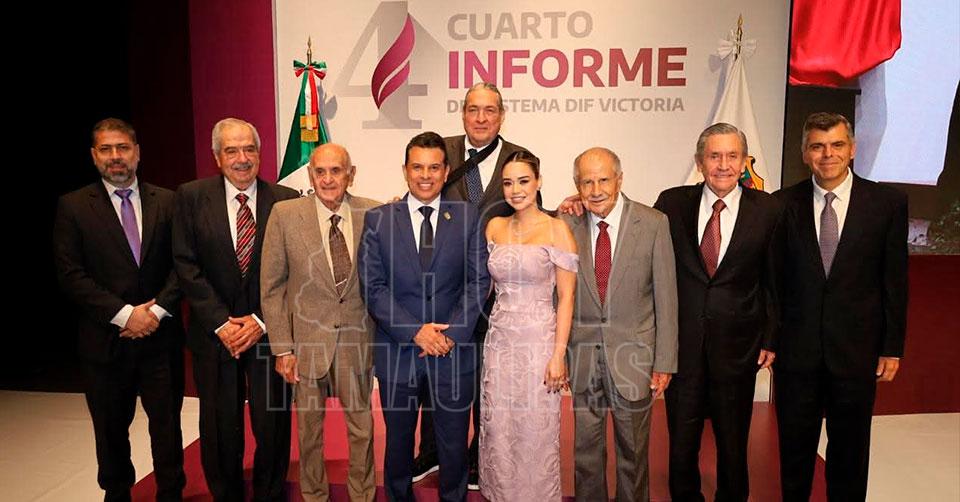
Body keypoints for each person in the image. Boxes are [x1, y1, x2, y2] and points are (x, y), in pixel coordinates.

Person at [774, 112, 908, 501]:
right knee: (794, 453)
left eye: (836, 145)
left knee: (850, 453)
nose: (827, 154)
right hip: (796, 355)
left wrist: (892, 347)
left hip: (856, 354)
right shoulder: (781, 205)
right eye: (817, 146)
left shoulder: (887, 204)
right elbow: (773, 282)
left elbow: (894, 281)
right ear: (805, 153)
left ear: (852, 149)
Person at [54, 117, 186, 502]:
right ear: (93, 156)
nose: (116, 156)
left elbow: (184, 264)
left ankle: (171, 492)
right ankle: (117, 493)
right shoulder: (73, 206)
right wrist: (127, 315)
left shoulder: (169, 201)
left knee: (167, 427)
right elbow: (70, 274)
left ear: (137, 153)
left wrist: (155, 312)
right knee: (110, 430)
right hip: (105, 342)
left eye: (123, 148)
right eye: (106, 149)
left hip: (161, 339)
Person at [414, 82, 536, 489]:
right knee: (437, 377)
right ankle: (431, 451)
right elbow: (418, 200)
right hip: (442, 290)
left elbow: (531, 213)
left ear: (502, 115)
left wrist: (566, 208)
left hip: (496, 294)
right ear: (462, 113)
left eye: (490, 110)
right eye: (473, 109)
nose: (481, 118)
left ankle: (478, 455)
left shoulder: (518, 158)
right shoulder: (440, 151)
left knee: (487, 381)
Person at [653, 123, 782, 502]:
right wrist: (576, 203)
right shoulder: (671, 203)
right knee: (682, 440)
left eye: (731, 156)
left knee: (733, 439)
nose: (723, 165)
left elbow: (776, 280)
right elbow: (634, 229)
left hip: (739, 347)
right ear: (699, 162)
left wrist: (770, 337)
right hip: (683, 345)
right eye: (714, 156)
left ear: (744, 162)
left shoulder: (768, 210)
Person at [358, 131, 490, 501]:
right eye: (418, 167)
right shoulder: (378, 220)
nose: (426, 175)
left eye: (434, 167)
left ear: (446, 171)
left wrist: (452, 334)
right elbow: (373, 287)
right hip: (398, 353)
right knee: (398, 445)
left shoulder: (468, 217)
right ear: (405, 170)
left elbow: (478, 281)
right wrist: (415, 332)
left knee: (453, 447)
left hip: (453, 352)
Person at [173, 117, 298, 501]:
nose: (242, 158)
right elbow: (185, 264)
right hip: (215, 336)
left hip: (269, 333)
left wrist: (260, 320)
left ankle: (269, 493)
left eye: (249, 149)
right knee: (219, 425)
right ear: (217, 157)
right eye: (232, 150)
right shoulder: (191, 197)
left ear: (259, 153)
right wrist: (221, 323)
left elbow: (295, 270)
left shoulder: (287, 199)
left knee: (272, 423)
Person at [260, 143, 379, 501]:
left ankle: (363, 495)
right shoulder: (285, 214)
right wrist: (282, 349)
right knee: (309, 433)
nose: (328, 179)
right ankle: (314, 495)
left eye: (336, 171)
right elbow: (272, 287)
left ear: (350, 174)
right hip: (306, 345)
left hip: (357, 342)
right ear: (311, 175)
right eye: (320, 172)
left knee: (362, 430)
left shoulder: (374, 213)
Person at [564, 147, 678, 502]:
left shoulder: (653, 223)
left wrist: (664, 362)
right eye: (587, 182)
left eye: (604, 180)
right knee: (585, 455)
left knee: (633, 454)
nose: (596, 190)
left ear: (620, 180)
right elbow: (557, 296)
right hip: (582, 357)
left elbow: (667, 297)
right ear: (577, 186)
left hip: (635, 359)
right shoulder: (565, 223)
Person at [478, 150, 577, 501]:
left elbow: (566, 297)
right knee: (499, 428)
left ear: (538, 182)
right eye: (508, 183)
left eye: (523, 181)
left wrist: (558, 355)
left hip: (539, 344)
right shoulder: (495, 227)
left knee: (535, 430)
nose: (515, 190)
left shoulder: (556, 229)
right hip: (499, 343)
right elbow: (483, 288)